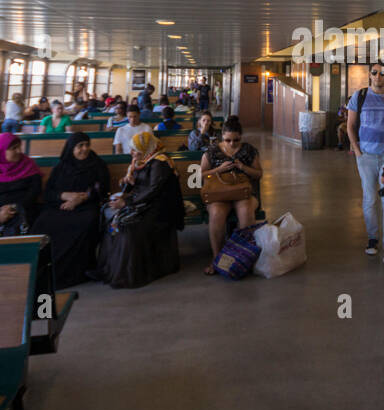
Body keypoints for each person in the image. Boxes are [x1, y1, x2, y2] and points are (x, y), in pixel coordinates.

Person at [94, 131, 185, 288]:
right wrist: (127, 182)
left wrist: (126, 202)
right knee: (111, 220)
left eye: (135, 149)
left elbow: (153, 190)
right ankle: (109, 269)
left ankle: (126, 274)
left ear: (146, 148)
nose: (132, 153)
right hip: (143, 203)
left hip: (160, 208)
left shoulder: (160, 163)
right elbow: (133, 188)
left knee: (127, 227)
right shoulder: (141, 161)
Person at [34, 133, 110, 288]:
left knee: (85, 223)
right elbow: (48, 192)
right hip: (59, 205)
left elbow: (101, 188)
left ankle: (76, 272)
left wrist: (81, 199)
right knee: (44, 222)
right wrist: (63, 195)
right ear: (71, 148)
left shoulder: (97, 164)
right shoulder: (61, 166)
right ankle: (41, 269)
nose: (85, 149)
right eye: (80, 146)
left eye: (87, 145)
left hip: (87, 206)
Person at [199, 118, 262, 275]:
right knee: (217, 214)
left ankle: (245, 257)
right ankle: (218, 258)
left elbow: (258, 174)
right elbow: (200, 175)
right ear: (222, 136)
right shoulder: (212, 151)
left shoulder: (249, 150)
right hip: (219, 193)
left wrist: (243, 167)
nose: (232, 144)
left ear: (241, 137)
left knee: (246, 213)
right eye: (228, 140)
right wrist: (218, 170)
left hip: (243, 192)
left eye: (236, 140)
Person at [347, 62, 384, 256]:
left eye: (382, 73)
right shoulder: (360, 96)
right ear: (369, 75)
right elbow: (350, 125)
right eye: (375, 73)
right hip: (366, 157)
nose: (378, 76)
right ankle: (373, 238)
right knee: (370, 198)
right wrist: (357, 151)